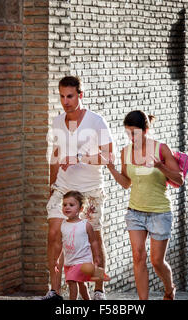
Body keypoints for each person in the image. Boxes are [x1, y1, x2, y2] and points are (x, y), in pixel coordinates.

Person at [41, 76, 114, 300]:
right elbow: (55, 156)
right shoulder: (57, 122)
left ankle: (99, 289)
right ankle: (54, 290)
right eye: (62, 96)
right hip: (63, 187)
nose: (66, 101)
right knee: (54, 234)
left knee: (94, 238)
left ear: (80, 95)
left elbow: (109, 156)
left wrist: (80, 157)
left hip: (89, 190)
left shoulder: (96, 121)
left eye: (70, 96)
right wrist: (51, 185)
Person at [106, 110, 184, 300]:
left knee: (157, 261)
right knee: (138, 257)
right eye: (128, 133)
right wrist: (111, 168)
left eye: (135, 133)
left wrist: (160, 167)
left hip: (159, 212)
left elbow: (179, 180)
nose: (131, 137)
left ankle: (169, 289)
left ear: (146, 130)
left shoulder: (161, 149)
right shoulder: (125, 152)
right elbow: (126, 183)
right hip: (135, 213)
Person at [54, 191, 109, 300]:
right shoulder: (63, 225)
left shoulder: (85, 225)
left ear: (81, 208)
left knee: (72, 282)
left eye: (71, 205)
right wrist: (56, 259)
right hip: (69, 262)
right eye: (64, 205)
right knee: (81, 284)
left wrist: (96, 256)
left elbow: (94, 242)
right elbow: (59, 244)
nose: (67, 207)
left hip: (82, 261)